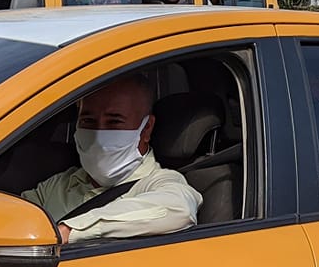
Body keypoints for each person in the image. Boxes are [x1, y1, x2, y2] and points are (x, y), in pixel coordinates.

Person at [23, 74, 200, 243]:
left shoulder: (160, 183)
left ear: (146, 129)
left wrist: (71, 231)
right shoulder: (55, 187)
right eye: (88, 121)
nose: (99, 137)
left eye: (114, 122)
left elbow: (178, 210)